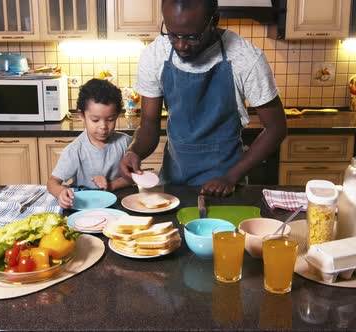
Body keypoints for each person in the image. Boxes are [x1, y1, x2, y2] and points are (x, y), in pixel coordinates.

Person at [119, 0, 287, 197]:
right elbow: (149, 124)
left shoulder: (245, 57)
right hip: (173, 182)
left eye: (192, 37)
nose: (181, 45)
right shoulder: (155, 55)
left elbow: (276, 128)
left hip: (227, 184)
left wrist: (231, 177)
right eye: (172, 34)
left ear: (214, 21)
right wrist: (134, 152)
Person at [48, 78, 133, 209]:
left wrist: (111, 185)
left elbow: (132, 177)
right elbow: (52, 182)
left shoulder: (126, 143)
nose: (103, 126)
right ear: (82, 116)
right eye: (95, 120)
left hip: (118, 203)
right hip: (84, 206)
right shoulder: (75, 150)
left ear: (117, 116)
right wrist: (61, 193)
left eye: (110, 119)